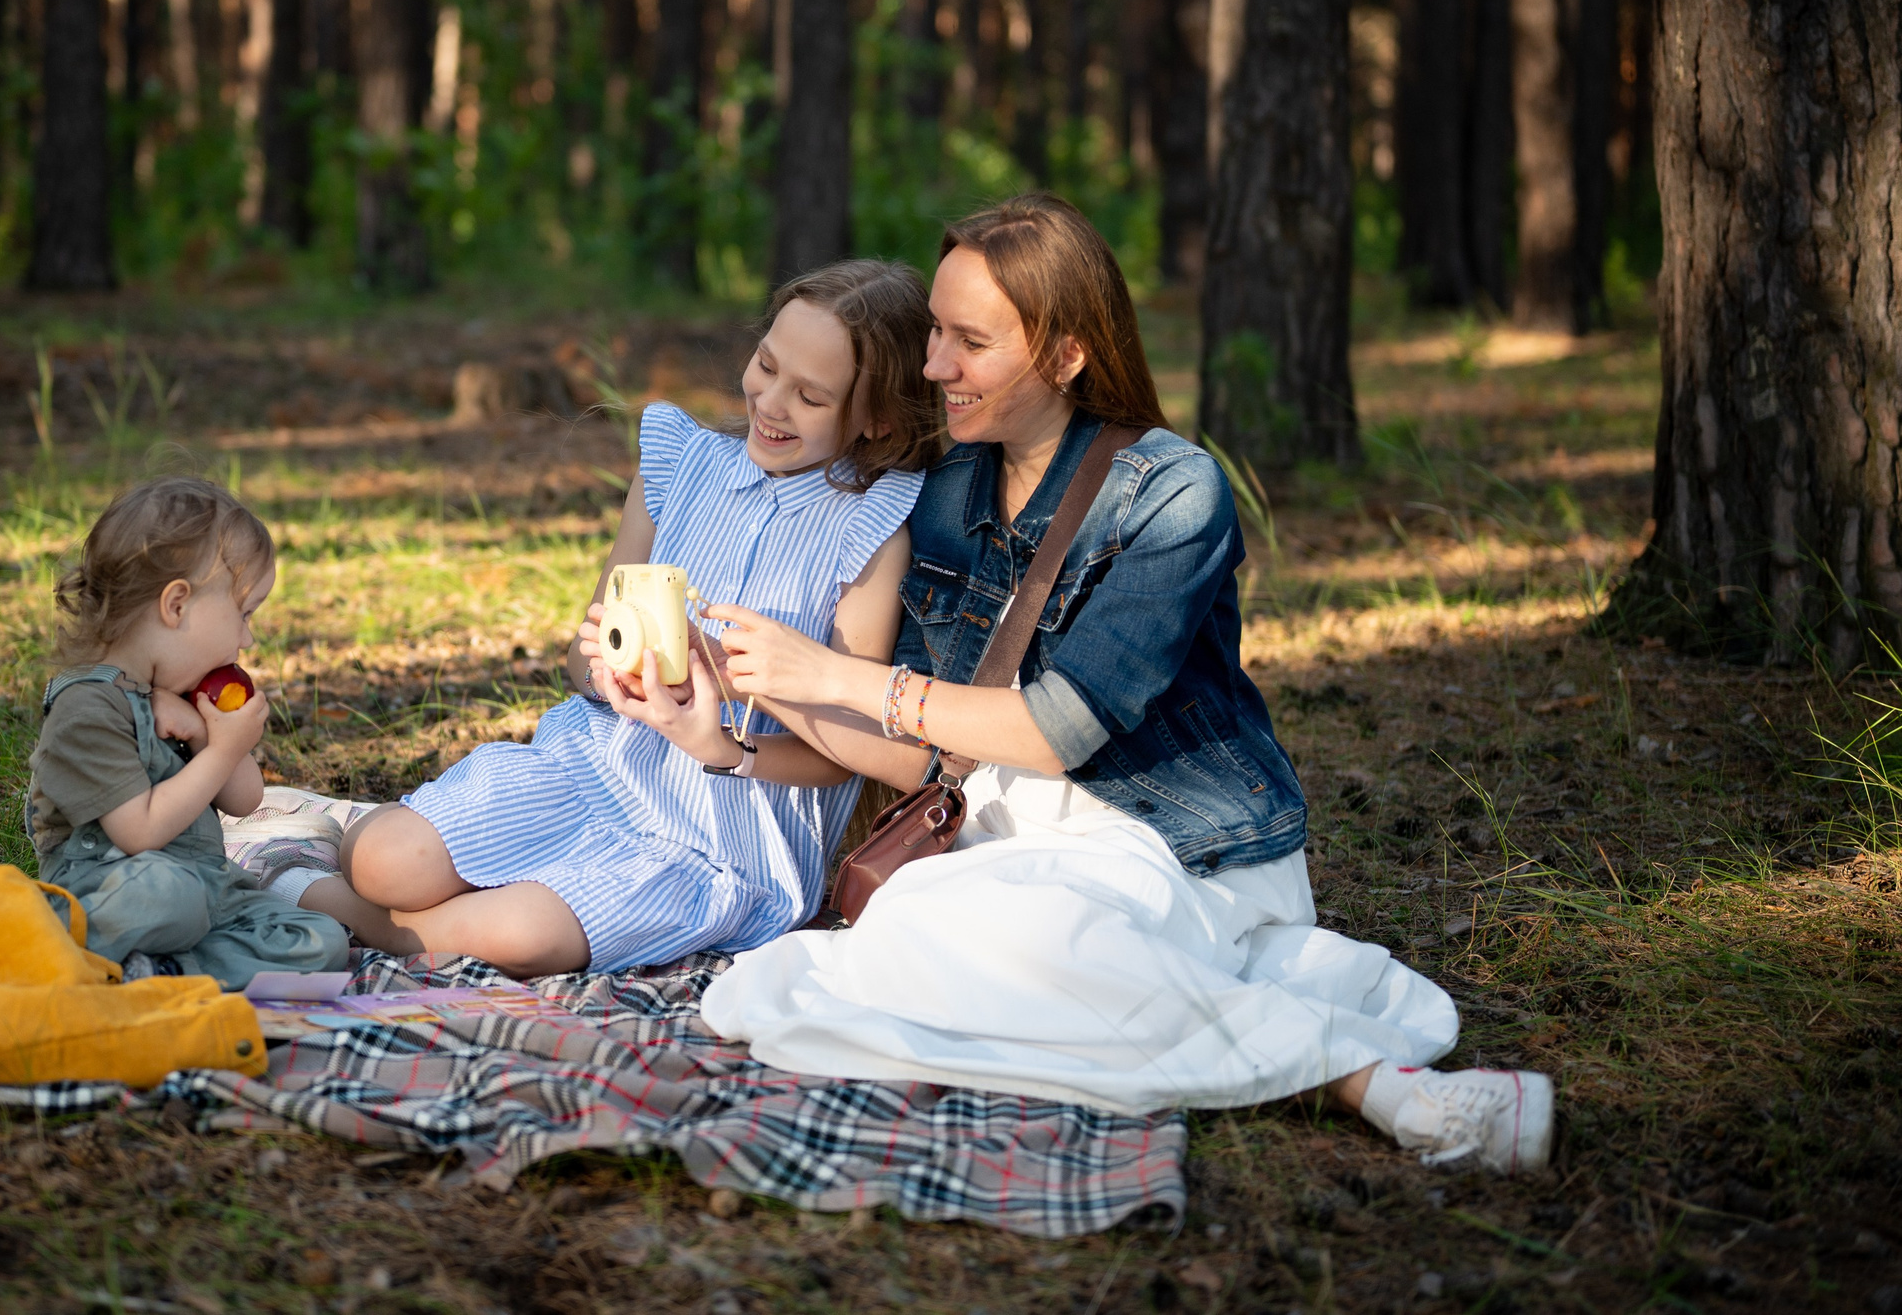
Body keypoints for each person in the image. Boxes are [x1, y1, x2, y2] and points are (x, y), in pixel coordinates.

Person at [696, 196, 1556, 1176]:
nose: (935, 365)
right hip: (1006, 845)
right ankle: (1236, 1002)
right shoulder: (940, 494)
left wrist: (844, 677)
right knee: (887, 938)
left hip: (1173, 842)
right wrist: (745, 710)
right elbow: (933, 752)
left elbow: (1057, 730)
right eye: (934, 330)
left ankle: (1382, 1087)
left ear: (1065, 354)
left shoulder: (1172, 492)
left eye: (969, 341)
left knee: (978, 941)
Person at [259, 261, 946, 977]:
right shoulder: (681, 464)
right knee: (379, 856)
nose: (769, 401)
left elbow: (846, 753)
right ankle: (382, 903)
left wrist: (722, 739)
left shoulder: (870, 528)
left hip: (720, 832)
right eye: (766, 364)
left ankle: (369, 923)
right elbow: (581, 655)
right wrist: (614, 673)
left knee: (523, 934)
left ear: (879, 418)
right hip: (595, 765)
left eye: (809, 395)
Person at [25, 476, 351, 987]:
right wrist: (219, 753)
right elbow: (140, 832)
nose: (248, 636)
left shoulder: (184, 690)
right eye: (243, 614)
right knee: (168, 895)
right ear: (177, 605)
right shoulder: (87, 708)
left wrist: (210, 738)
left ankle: (160, 972)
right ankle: (49, 944)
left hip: (204, 888)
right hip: (113, 891)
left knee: (323, 942)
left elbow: (245, 800)